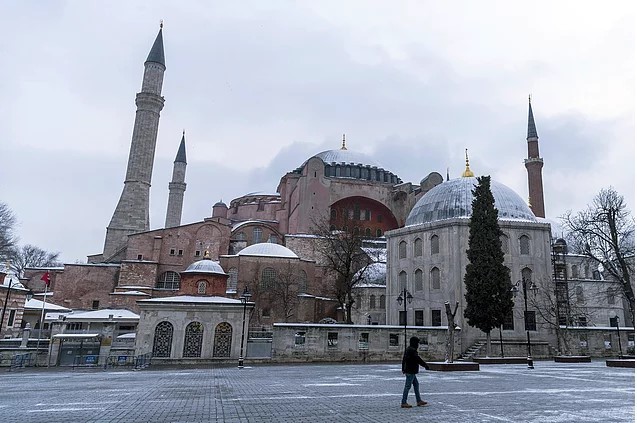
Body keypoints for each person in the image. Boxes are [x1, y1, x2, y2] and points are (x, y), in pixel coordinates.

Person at [401, 336, 429, 408]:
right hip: (411, 370)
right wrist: (425, 365)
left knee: (416, 385)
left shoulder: (408, 349)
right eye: (417, 343)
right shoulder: (412, 350)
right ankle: (403, 402)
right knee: (407, 386)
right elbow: (418, 359)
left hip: (409, 370)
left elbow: (404, 360)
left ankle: (419, 400)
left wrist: (403, 369)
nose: (418, 345)